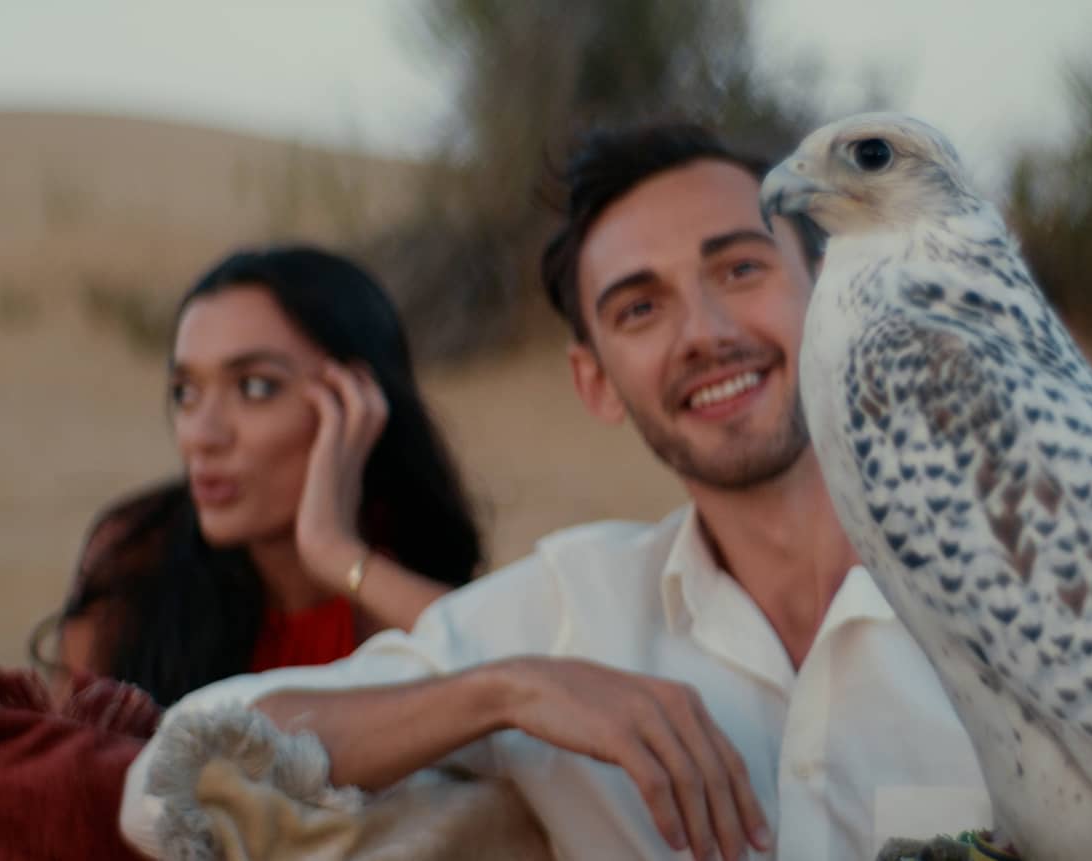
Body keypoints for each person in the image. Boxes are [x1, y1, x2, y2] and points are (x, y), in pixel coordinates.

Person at [119, 126, 991, 860]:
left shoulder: (1031, 580)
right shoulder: (573, 612)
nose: (708, 333)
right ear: (596, 382)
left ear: (832, 292)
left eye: (740, 270)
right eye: (639, 309)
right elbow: (168, 783)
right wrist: (508, 691)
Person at [47, 246, 483, 706]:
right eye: (185, 392)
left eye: (255, 387)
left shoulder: (402, 572)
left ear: (355, 401)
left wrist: (333, 551)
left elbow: (516, 683)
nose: (202, 435)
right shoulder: (137, 559)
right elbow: (71, 764)